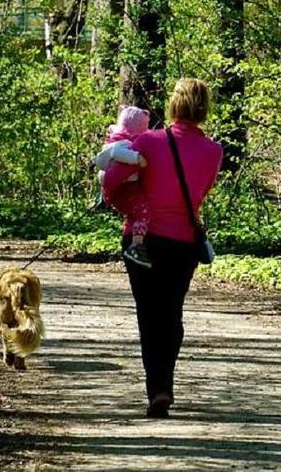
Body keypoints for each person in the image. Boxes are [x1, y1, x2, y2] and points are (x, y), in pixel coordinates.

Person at [102, 79, 223, 418]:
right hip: (184, 242)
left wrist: (129, 203)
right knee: (171, 313)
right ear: (204, 109)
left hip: (144, 240)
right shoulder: (214, 151)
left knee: (149, 314)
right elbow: (201, 193)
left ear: (173, 105)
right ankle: (164, 385)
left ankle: (158, 389)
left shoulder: (148, 142)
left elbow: (110, 182)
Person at [92, 106, 152, 267]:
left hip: (118, 186)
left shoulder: (115, 140)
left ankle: (133, 239)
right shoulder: (122, 143)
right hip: (126, 187)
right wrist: (137, 158)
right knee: (144, 211)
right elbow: (118, 153)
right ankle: (137, 245)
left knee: (132, 213)